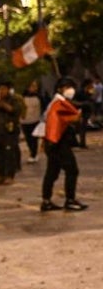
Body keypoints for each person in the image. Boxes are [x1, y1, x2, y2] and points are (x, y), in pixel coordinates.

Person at [41, 77, 87, 212]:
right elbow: (63, 119)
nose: (70, 90)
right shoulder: (58, 104)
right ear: (60, 89)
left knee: (52, 172)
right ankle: (70, 200)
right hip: (58, 142)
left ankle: (46, 201)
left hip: (53, 142)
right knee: (72, 170)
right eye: (67, 87)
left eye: (71, 87)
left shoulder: (60, 102)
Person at [20, 80, 46, 165]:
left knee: (34, 139)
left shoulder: (39, 97)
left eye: (35, 86)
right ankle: (32, 152)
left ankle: (33, 154)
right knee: (28, 138)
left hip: (35, 120)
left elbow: (44, 107)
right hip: (24, 121)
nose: (34, 88)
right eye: (32, 86)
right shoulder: (23, 97)